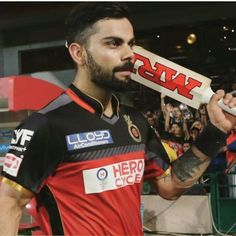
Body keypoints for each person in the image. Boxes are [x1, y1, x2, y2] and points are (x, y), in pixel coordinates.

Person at [0, 2, 236, 235]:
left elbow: (170, 186)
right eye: (113, 43)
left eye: (130, 44)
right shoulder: (46, 125)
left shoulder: (135, 121)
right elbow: (7, 206)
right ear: (78, 53)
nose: (129, 54)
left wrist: (215, 131)